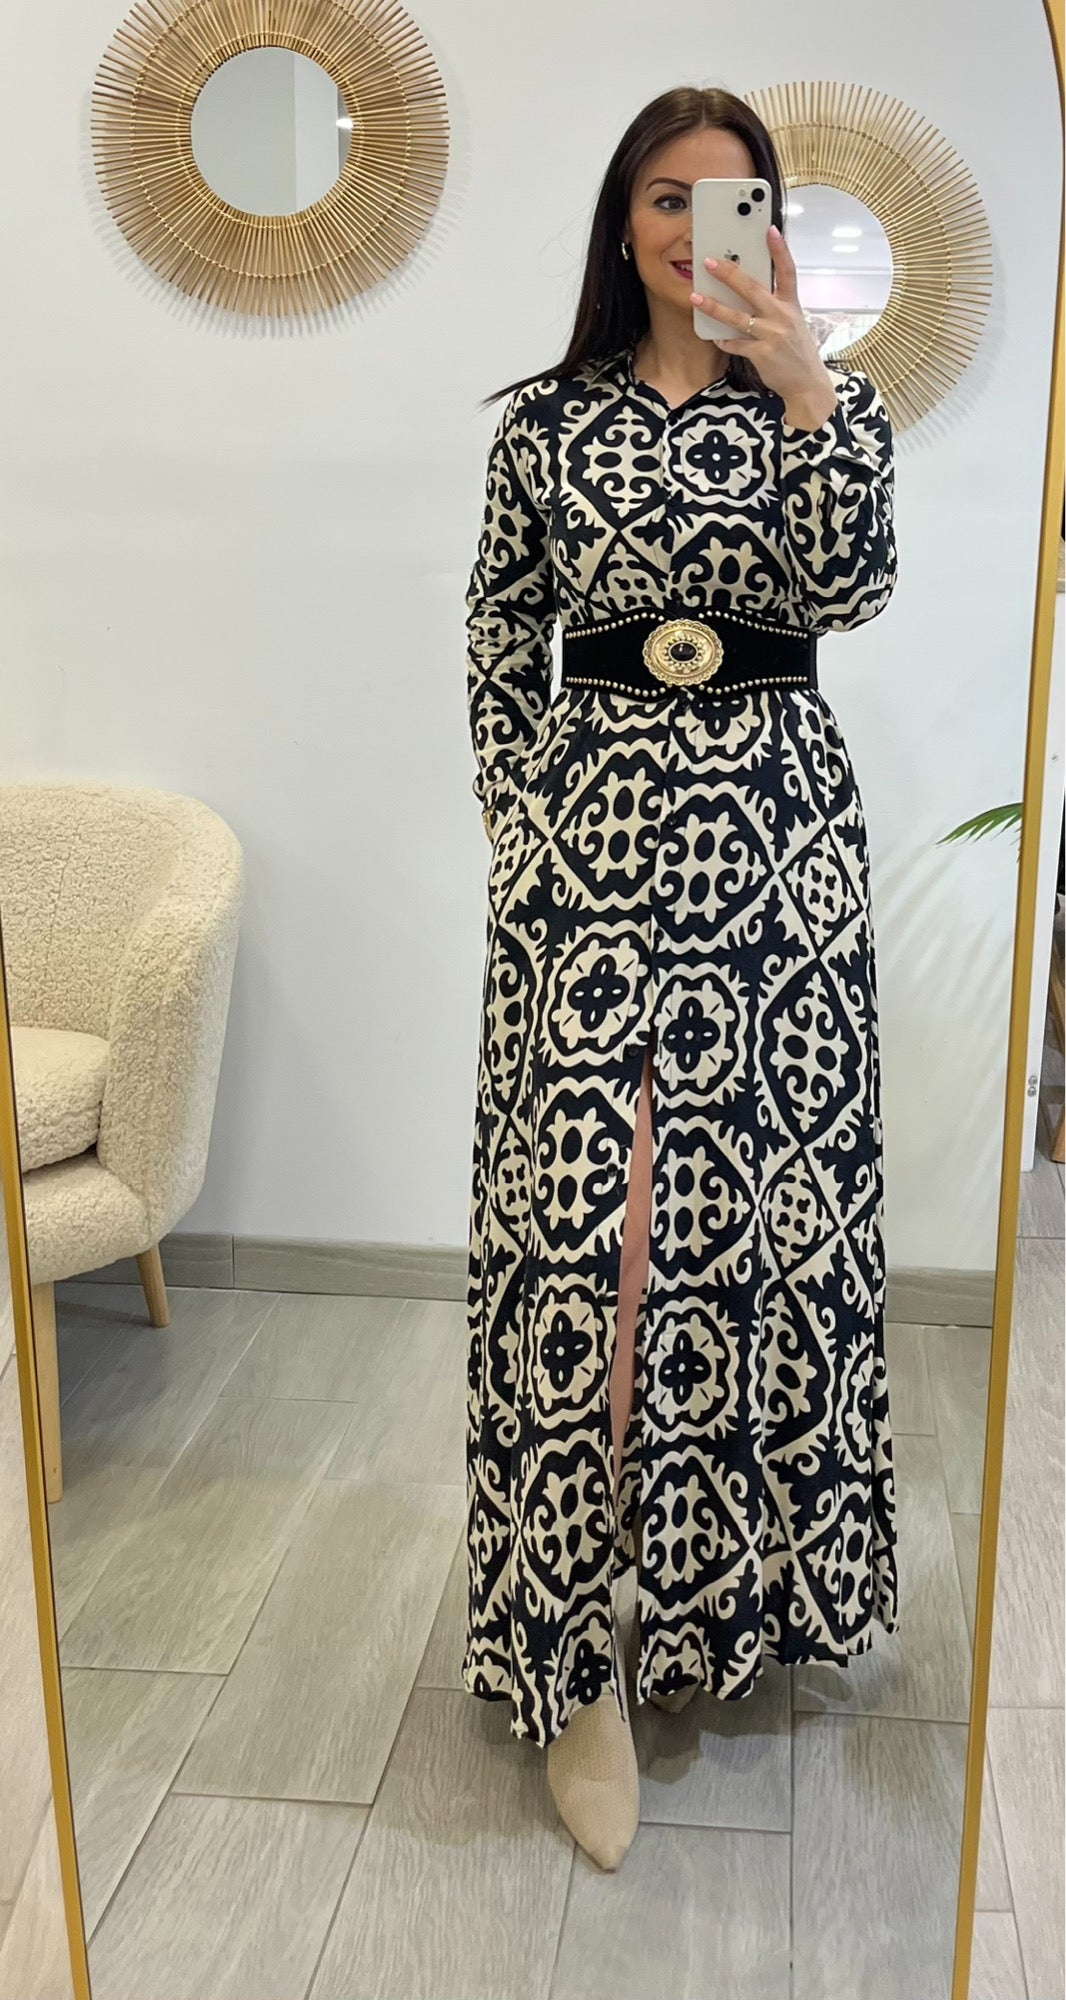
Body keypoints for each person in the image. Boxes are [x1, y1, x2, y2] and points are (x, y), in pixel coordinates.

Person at [462, 83, 901, 1873]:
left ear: (770, 229)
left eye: (728, 203)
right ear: (620, 220)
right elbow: (502, 630)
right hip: (584, 851)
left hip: (777, 844)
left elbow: (855, 590)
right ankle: (573, 1661)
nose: (690, 230)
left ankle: (716, 1599)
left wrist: (805, 393)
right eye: (663, 196)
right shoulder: (544, 424)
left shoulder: (829, 407)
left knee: (741, 1221)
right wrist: (519, 823)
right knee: (588, 1239)